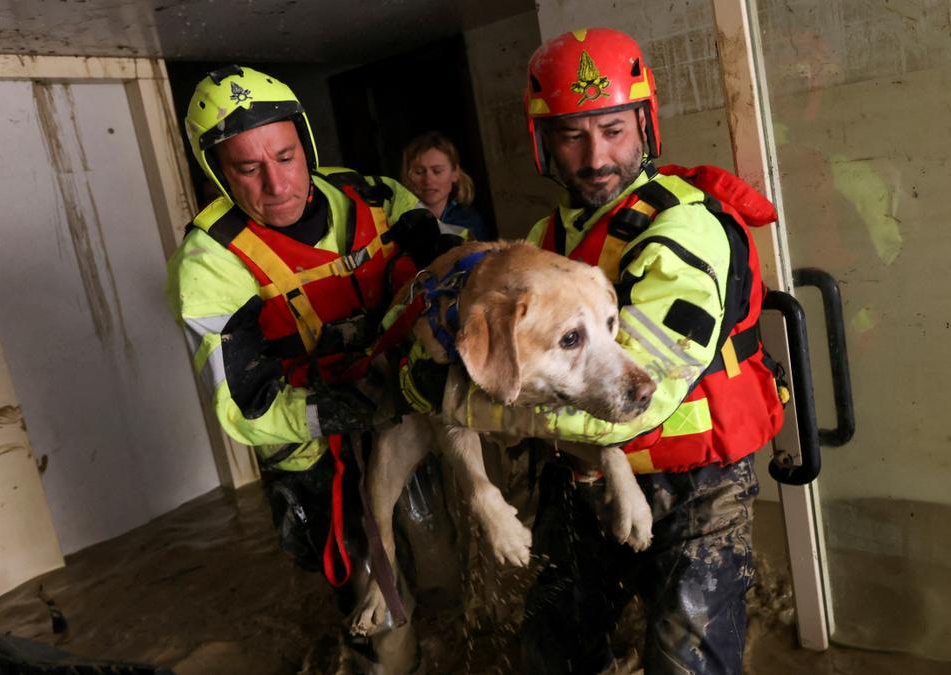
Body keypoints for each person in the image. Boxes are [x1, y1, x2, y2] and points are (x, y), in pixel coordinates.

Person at [433, 28, 787, 674]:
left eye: (614, 129)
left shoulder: (685, 227)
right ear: (544, 144)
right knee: (551, 652)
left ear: (645, 128)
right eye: (573, 135)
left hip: (696, 488)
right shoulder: (546, 241)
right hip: (584, 476)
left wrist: (465, 404)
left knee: (686, 664)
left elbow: (639, 398)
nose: (596, 156)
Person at [165, 65, 448, 674]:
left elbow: (450, 278)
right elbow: (247, 406)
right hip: (314, 448)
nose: (278, 184)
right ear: (218, 171)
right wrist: (360, 404)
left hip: (407, 406)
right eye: (248, 169)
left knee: (443, 559)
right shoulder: (209, 262)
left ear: (307, 144)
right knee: (374, 595)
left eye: (287, 157)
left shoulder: (377, 198)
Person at [401, 131, 491, 241]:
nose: (428, 180)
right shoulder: (398, 220)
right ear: (407, 175)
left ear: (455, 173)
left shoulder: (469, 221)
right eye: (419, 172)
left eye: (437, 171)